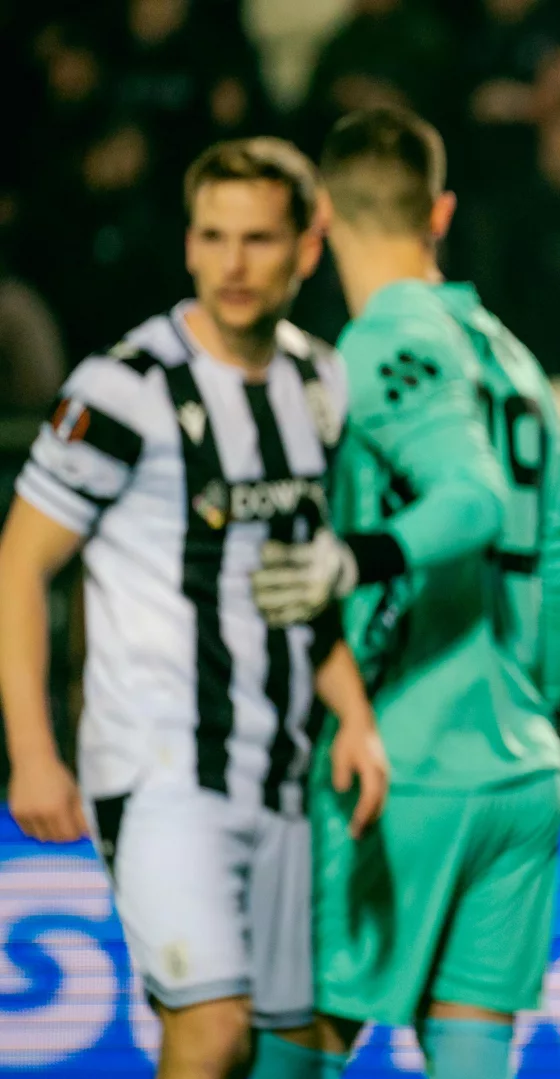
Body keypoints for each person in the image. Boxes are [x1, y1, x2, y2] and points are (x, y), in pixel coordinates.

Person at [0, 137, 389, 1079]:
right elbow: (18, 565)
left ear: (308, 243)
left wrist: (356, 717)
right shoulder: (123, 386)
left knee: (289, 1055)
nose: (232, 263)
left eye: (257, 238)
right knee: (211, 1031)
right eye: (212, 236)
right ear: (188, 245)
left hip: (284, 774)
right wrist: (34, 754)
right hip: (158, 761)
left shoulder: (319, 382)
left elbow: (293, 583)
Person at [248, 106, 560, 1079]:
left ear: (318, 219)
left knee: (299, 1039)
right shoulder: (510, 355)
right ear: (439, 211)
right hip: (521, 769)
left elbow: (474, 497)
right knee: (471, 1052)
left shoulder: (377, 345)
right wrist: (531, 702)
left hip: (397, 762)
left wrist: (352, 558)